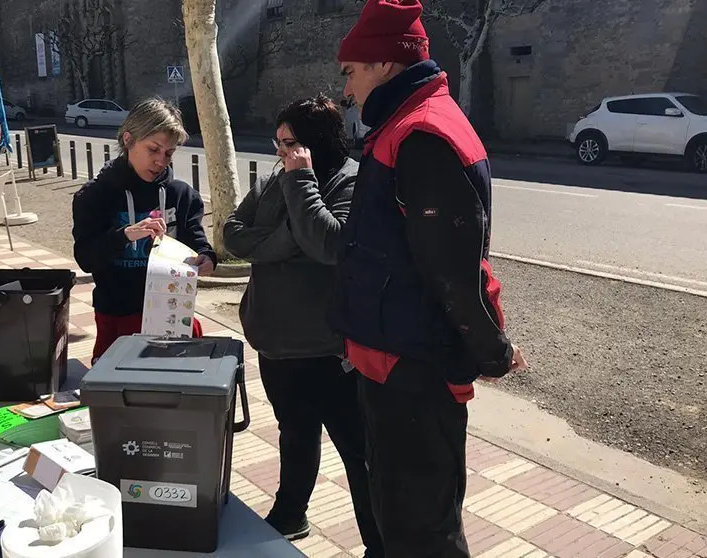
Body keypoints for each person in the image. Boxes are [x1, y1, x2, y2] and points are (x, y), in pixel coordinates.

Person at [331, 1, 529, 556]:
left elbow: (453, 272)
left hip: (412, 369)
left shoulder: (422, 134)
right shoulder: (405, 124)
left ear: (385, 64)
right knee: (400, 518)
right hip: (394, 359)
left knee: (422, 530)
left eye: (351, 72)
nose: (347, 90)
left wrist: (492, 351)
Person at [223, 96, 383, 556]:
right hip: (275, 344)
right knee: (294, 437)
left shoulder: (353, 181)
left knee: (359, 454)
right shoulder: (276, 179)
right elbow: (233, 233)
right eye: (278, 143)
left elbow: (329, 243)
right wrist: (284, 240)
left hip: (330, 351)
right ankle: (290, 513)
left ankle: (378, 542)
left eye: (290, 143)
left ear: (315, 142)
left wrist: (301, 182)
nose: (281, 153)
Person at [72, 97, 216, 361]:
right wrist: (125, 235)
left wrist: (207, 257)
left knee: (177, 393)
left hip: (173, 315)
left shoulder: (181, 195)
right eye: (153, 149)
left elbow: (196, 241)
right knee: (119, 395)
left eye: (169, 153)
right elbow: (85, 258)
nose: (161, 161)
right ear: (128, 140)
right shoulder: (95, 195)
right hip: (116, 313)